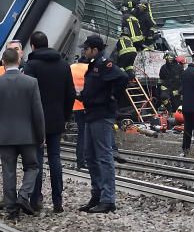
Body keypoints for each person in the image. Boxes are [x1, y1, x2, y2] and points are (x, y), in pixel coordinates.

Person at [0, 47, 45, 219]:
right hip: (28, 135)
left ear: (3, 62)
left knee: (8, 170)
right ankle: (24, 195)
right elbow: (37, 112)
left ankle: (11, 210)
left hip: (5, 136)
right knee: (32, 167)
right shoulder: (31, 82)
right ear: (19, 62)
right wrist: (41, 135)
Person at [24, 31, 76, 214]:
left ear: (33, 46)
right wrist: (65, 115)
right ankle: (57, 201)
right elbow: (71, 94)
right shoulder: (63, 65)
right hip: (56, 118)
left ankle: (36, 199)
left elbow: (27, 94)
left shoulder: (31, 66)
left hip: (36, 120)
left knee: (36, 160)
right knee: (55, 158)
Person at [76, 34, 128, 214]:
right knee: (89, 156)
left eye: (86, 48)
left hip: (101, 115)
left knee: (104, 157)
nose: (83, 51)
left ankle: (108, 199)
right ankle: (97, 195)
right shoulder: (94, 65)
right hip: (91, 114)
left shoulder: (104, 64)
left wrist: (112, 96)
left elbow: (122, 77)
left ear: (94, 50)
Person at [70, 57, 89, 170]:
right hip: (87, 105)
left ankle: (80, 161)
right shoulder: (89, 68)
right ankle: (84, 160)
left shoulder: (71, 67)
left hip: (75, 105)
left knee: (81, 134)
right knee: (86, 134)